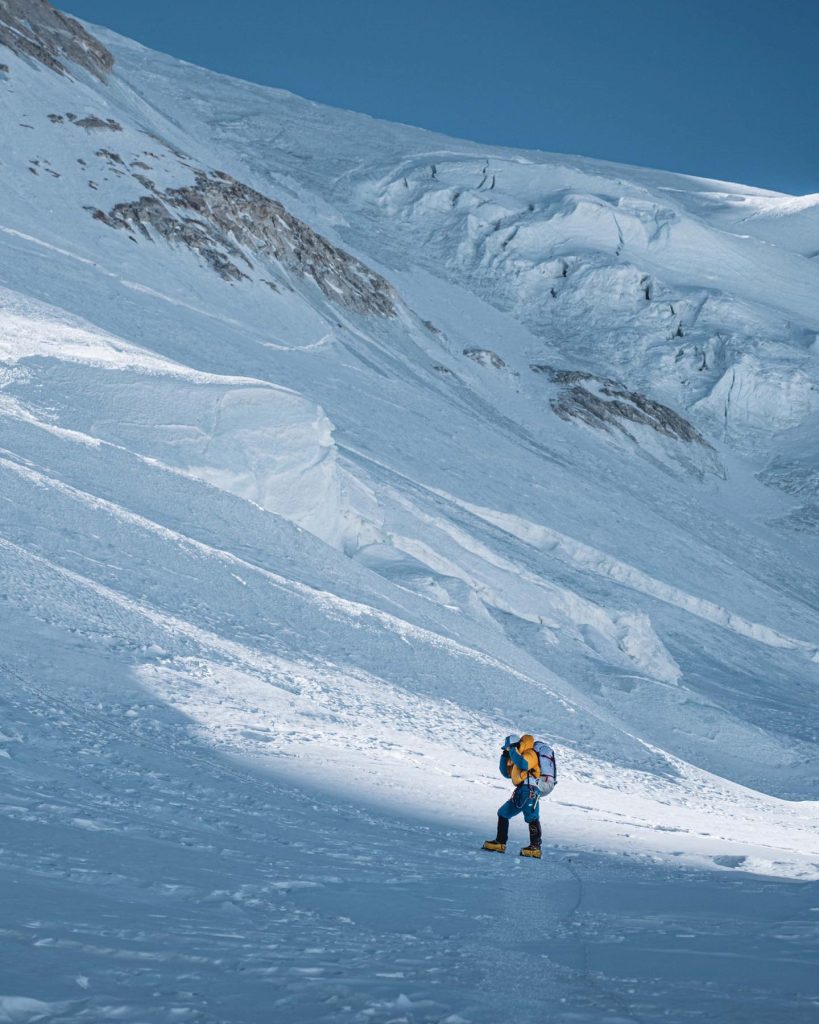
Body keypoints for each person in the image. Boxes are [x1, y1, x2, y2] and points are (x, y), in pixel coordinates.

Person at [482, 733, 556, 858]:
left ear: (516, 745)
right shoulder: (517, 756)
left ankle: (535, 848)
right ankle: (500, 842)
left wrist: (512, 751)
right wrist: (505, 756)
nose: (507, 749)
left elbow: (524, 764)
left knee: (532, 817)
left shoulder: (530, 753)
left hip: (530, 790)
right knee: (503, 813)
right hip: (521, 790)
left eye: (508, 747)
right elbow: (506, 773)